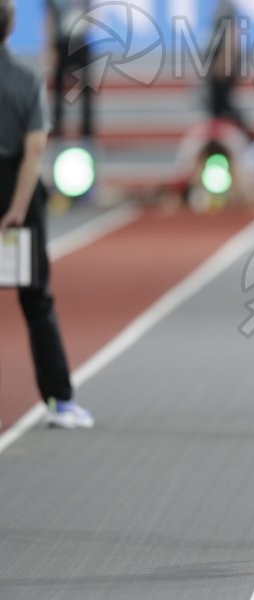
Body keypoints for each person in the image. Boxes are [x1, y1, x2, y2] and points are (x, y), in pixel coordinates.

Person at [0, 0, 94, 428]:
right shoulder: (25, 78)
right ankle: (60, 401)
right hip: (16, 193)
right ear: (10, 25)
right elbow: (35, 148)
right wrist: (17, 210)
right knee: (35, 298)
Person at [45, 0, 93, 140]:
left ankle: (87, 129)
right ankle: (57, 127)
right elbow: (49, 19)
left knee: (87, 87)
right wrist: (48, 47)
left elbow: (92, 12)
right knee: (58, 88)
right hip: (61, 43)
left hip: (80, 43)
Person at [206, 0, 251, 137]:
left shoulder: (225, 8)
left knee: (223, 109)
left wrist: (223, 65)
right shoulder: (224, 7)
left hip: (221, 74)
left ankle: (244, 140)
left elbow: (230, 32)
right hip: (219, 72)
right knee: (220, 110)